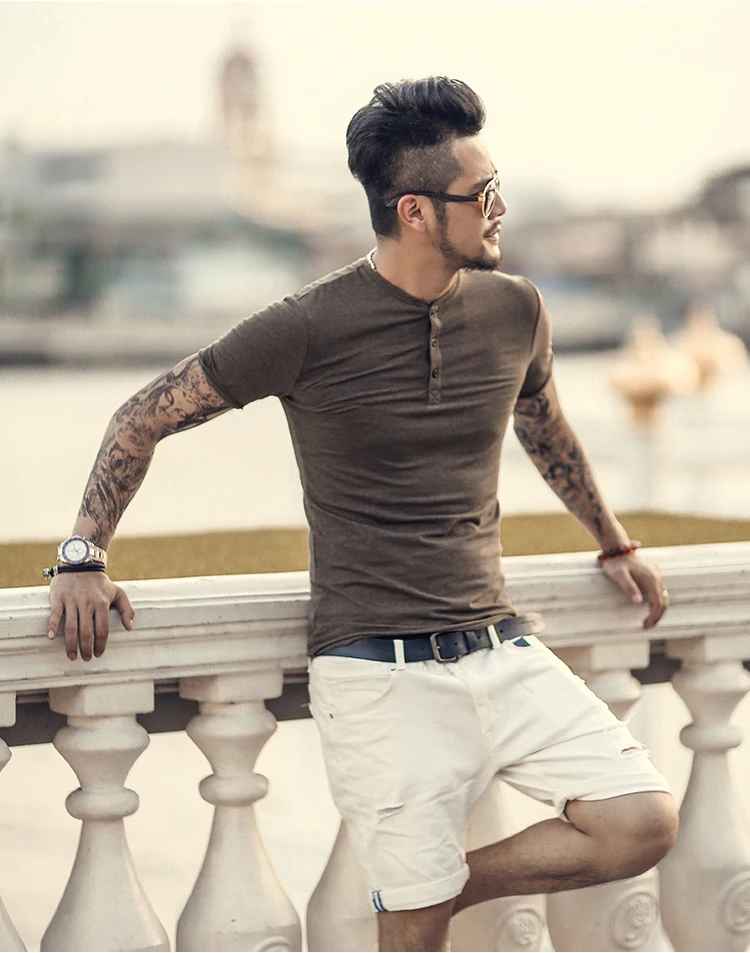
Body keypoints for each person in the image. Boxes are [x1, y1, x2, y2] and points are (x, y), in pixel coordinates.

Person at [46, 77, 677, 952]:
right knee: (411, 935)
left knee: (643, 821)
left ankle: (437, 887)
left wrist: (614, 542)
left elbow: (546, 429)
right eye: (484, 192)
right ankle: (417, 898)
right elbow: (141, 416)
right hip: (378, 674)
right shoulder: (304, 325)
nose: (500, 207)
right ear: (415, 211)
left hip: (502, 649)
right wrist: (83, 556)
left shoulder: (516, 308)